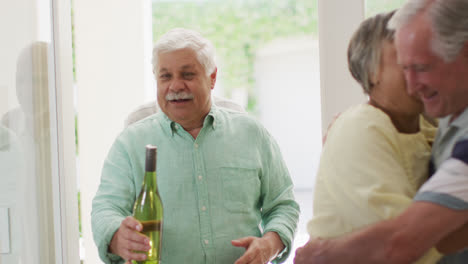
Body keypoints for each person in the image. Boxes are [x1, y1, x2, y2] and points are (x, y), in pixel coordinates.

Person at [91, 28, 299, 264]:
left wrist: (269, 245)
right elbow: (105, 208)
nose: (175, 86)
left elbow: (283, 205)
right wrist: (117, 237)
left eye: (187, 75)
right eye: (165, 76)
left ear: (212, 78)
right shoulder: (130, 143)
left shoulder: (252, 134)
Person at [294, 0, 468, 263]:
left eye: (422, 66)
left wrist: (323, 254)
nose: (413, 82)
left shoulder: (433, 126)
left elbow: (407, 240)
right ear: (371, 72)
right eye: (404, 64)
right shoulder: (362, 126)